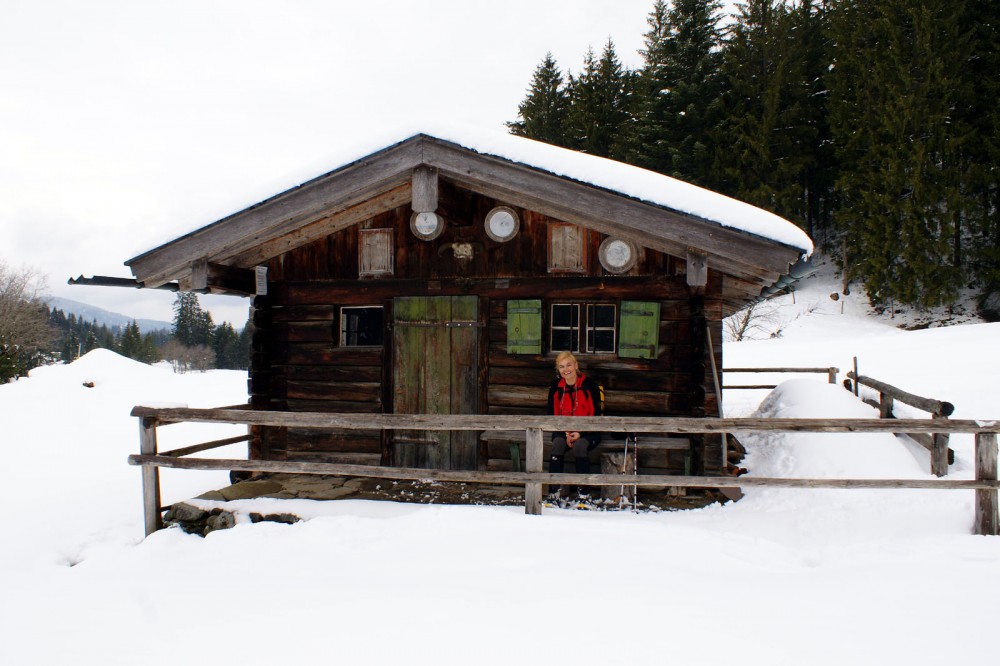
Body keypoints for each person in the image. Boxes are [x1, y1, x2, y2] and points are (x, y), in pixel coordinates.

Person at [547, 351, 603, 498]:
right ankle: (554, 491)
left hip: (590, 431)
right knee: (558, 443)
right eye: (562, 367)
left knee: (579, 445)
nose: (566, 369)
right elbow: (551, 414)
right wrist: (564, 432)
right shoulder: (556, 386)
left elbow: (596, 415)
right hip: (562, 430)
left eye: (569, 365)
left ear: (576, 365)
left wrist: (581, 433)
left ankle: (584, 494)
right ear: (558, 370)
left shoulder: (589, 384)